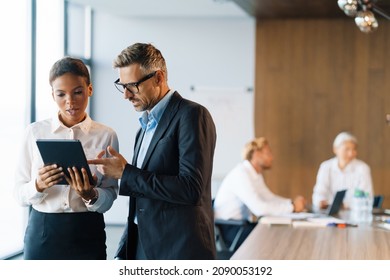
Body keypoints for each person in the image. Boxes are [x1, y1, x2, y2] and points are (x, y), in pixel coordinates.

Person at [88, 43, 217, 260]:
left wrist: (125, 173)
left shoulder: (192, 115)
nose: (126, 95)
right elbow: (141, 202)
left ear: (159, 77)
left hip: (178, 251)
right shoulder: (143, 128)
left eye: (133, 85)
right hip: (142, 248)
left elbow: (191, 188)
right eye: (122, 85)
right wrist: (124, 250)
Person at [14, 57, 119, 260]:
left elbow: (111, 194)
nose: (70, 101)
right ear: (53, 95)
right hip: (42, 232)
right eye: (61, 94)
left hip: (88, 233)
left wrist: (90, 195)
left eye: (78, 92)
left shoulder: (107, 136)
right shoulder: (34, 132)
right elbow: (18, 193)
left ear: (90, 89)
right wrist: (38, 185)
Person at [213, 137, 306, 249]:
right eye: (268, 153)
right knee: (279, 237)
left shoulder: (255, 174)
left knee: (281, 232)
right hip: (232, 229)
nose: (272, 157)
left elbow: (269, 198)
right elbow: (259, 209)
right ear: (256, 154)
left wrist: (291, 203)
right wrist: (292, 207)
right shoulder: (241, 174)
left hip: (242, 226)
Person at [312, 131, 373, 210]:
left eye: (354, 149)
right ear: (335, 149)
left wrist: (345, 205)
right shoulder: (325, 167)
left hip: (354, 214)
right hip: (329, 213)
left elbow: (366, 197)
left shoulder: (362, 168)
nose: (351, 153)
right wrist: (321, 202)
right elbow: (318, 193)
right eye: (347, 149)